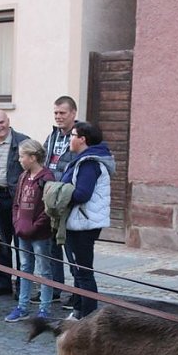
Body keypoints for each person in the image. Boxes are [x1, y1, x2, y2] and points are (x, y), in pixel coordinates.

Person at [61, 121, 114, 320]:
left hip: (83, 223)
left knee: (83, 271)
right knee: (77, 270)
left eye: (73, 135)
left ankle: (89, 316)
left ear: (83, 139)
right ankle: (78, 311)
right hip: (78, 222)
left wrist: (60, 192)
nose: (69, 139)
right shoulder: (83, 160)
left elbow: (82, 193)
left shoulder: (89, 163)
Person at [5, 139, 55, 322]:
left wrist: (35, 226)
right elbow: (16, 203)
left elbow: (48, 209)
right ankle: (22, 305)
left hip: (40, 234)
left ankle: (44, 308)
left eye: (22, 156)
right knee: (24, 268)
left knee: (44, 269)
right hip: (22, 231)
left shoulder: (46, 178)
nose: (19, 160)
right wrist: (17, 222)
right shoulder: (23, 177)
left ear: (33, 158)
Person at [0, 109, 29, 297]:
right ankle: (3, 282)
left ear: (8, 121)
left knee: (20, 244)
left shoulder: (22, 141)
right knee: (0, 242)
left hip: (17, 198)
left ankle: (21, 285)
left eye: (0, 122)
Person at [42, 96, 79, 306]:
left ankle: (77, 292)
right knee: (52, 247)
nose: (58, 117)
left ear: (73, 113)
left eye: (62, 113)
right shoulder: (53, 136)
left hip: (67, 199)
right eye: (56, 113)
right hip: (51, 199)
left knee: (70, 248)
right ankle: (56, 288)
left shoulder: (79, 136)